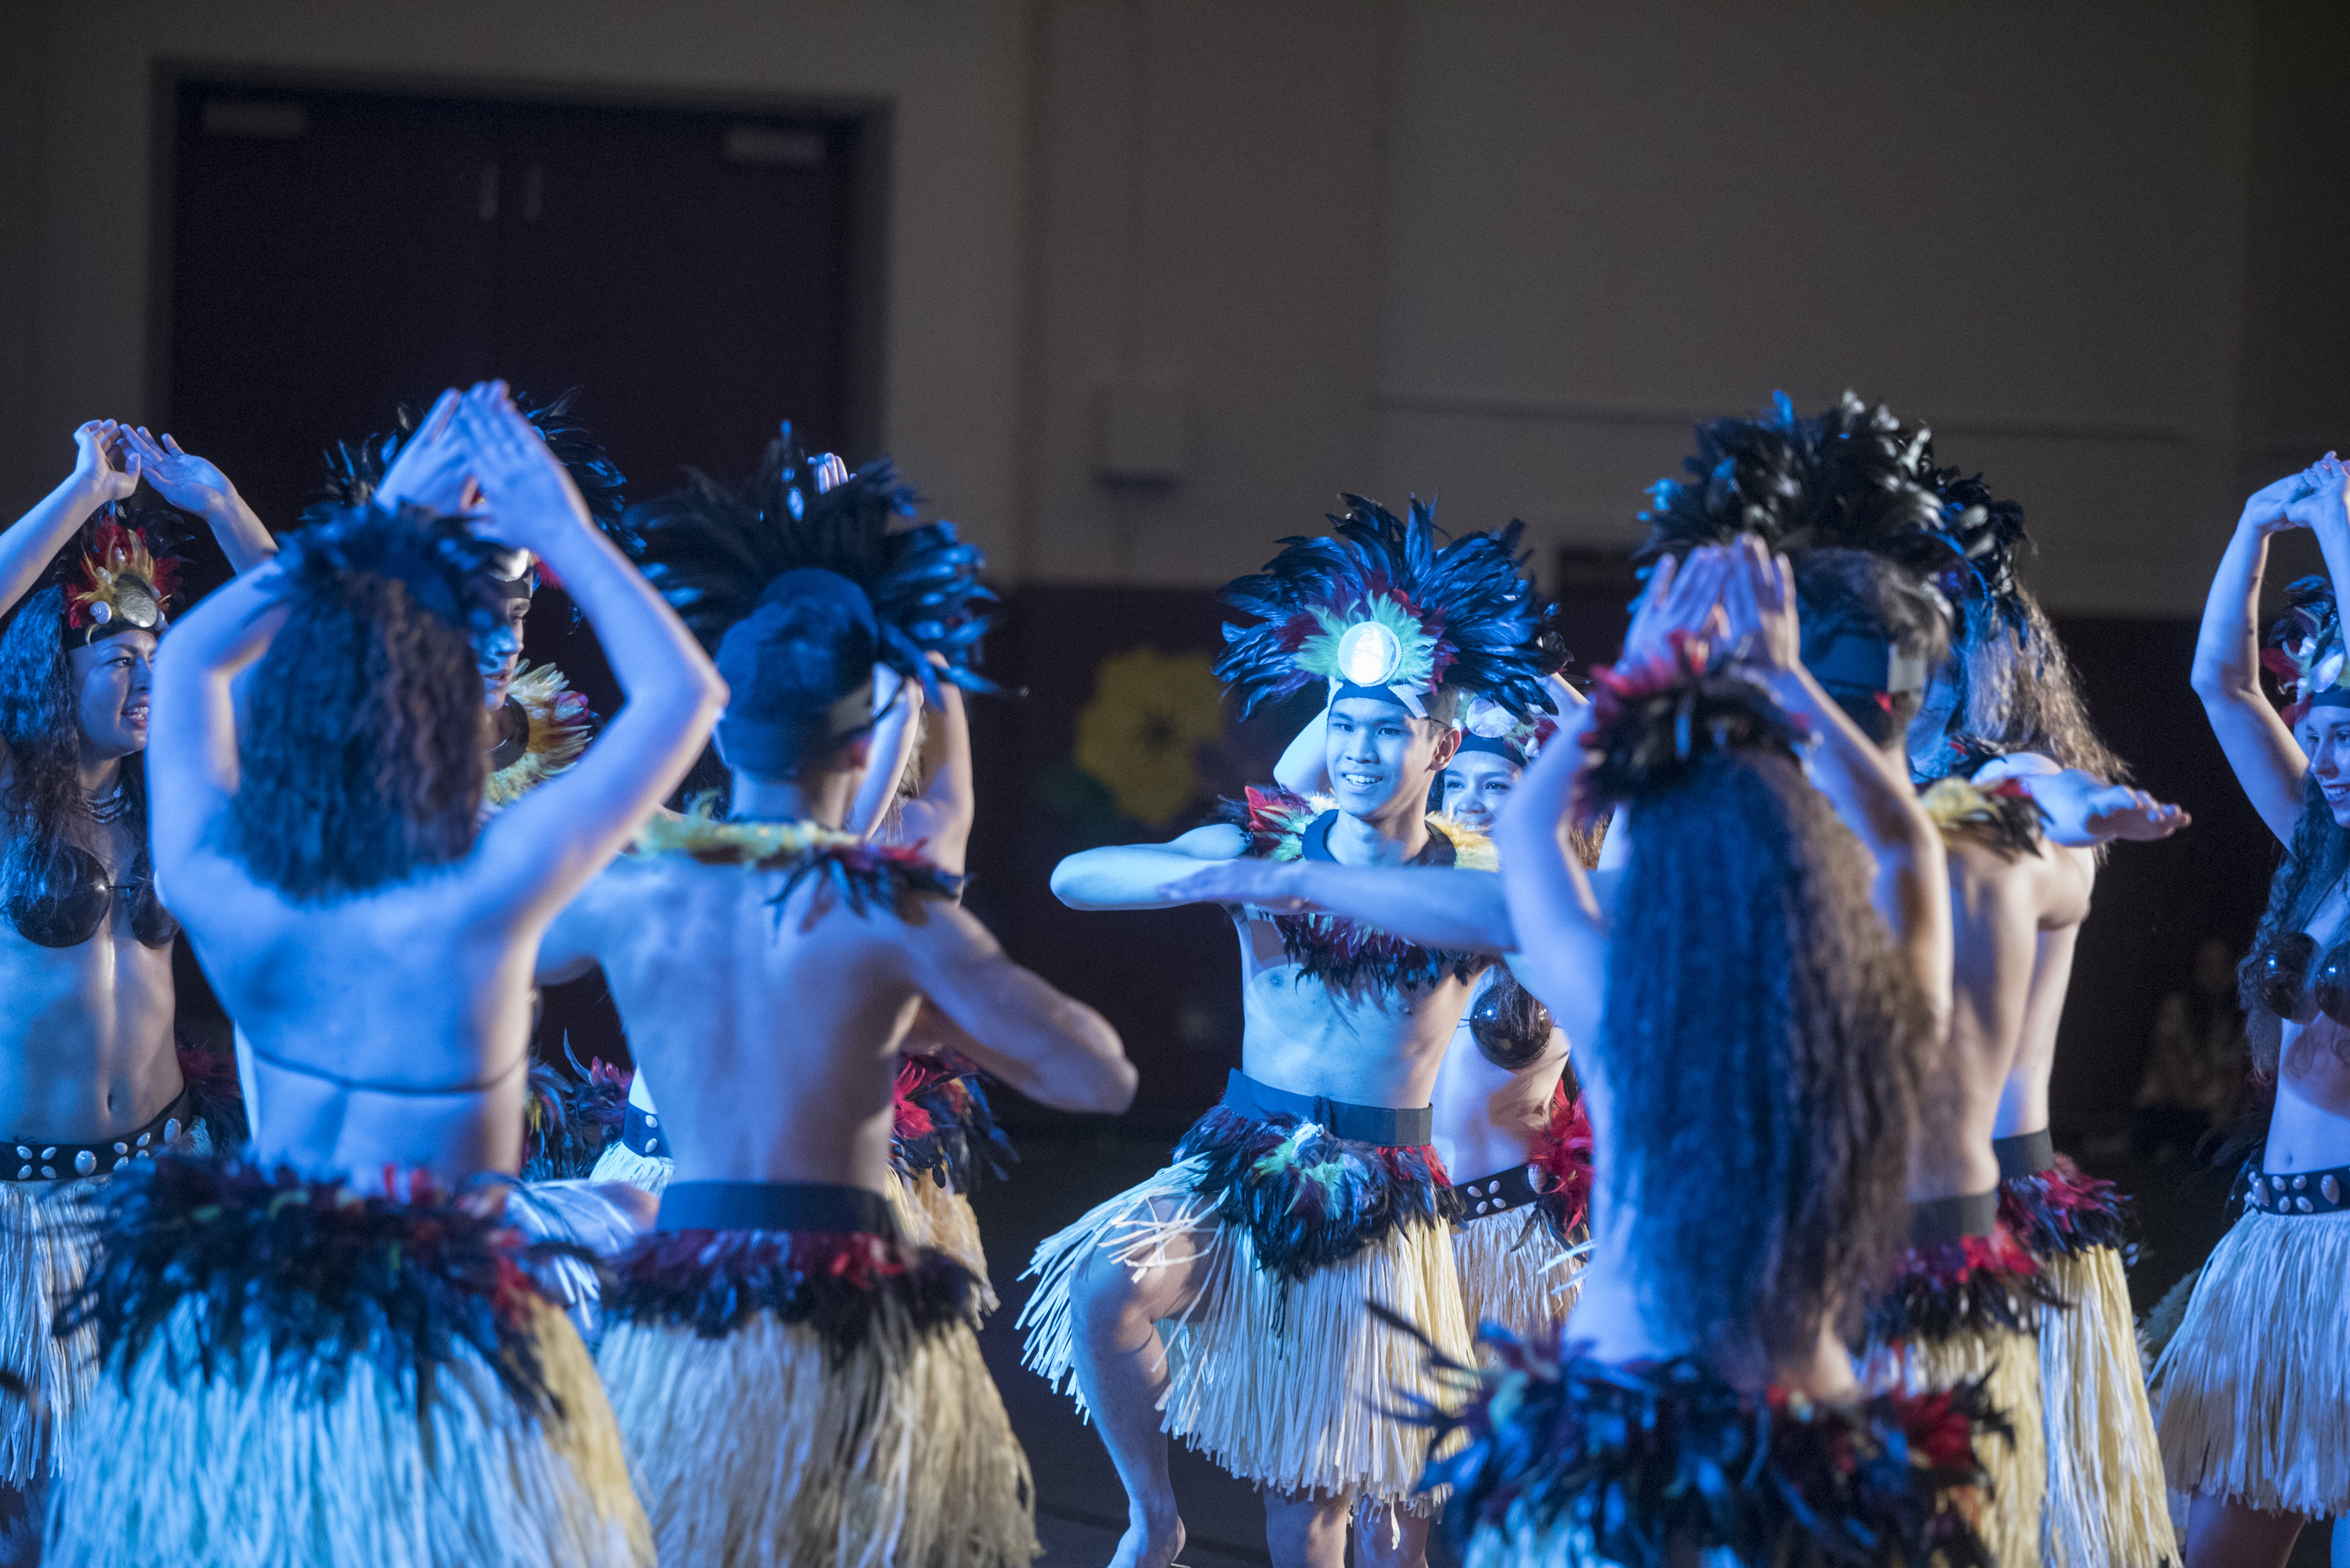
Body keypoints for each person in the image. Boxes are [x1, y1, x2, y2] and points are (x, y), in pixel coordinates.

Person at [45, 383, 724, 1566]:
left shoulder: (226, 886)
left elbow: (200, 657)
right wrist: (557, 527)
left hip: (262, 1325)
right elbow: (685, 696)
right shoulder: (491, 891)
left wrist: (375, 528)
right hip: (439, 1347)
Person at [535, 432, 1131, 1566]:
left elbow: (522, 955)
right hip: (857, 1308)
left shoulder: (636, 895)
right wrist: (921, 1014)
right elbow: (1095, 1074)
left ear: (711, 725)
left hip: (683, 1294)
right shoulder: (890, 919)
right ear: (863, 744)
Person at [1422, 538, 1996, 1563]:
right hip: (1804, 1447)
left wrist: (1644, 675)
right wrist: (1783, 681)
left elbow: (1525, 830)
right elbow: (1905, 843)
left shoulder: (1621, 1013)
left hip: (1612, 1437)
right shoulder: (1883, 1013)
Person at [1021, 494, 1555, 1568]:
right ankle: (1152, 1514)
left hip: (1378, 1195)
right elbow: (1072, 878)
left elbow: (1575, 917)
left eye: (1387, 727)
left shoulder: (1476, 874)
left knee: (1319, 1502)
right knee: (1105, 1282)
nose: (1358, 749)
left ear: (1440, 742)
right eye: (1341, 724)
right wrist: (1211, 873)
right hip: (1235, 1161)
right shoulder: (1267, 839)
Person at [1908, 463, 2185, 1566]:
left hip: (1997, 1207)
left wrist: (2096, 806)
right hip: (1879, 1202)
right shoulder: (1860, 791)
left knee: (2012, 1520)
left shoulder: (2001, 781)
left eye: (1935, 648)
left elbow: (2046, 790)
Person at [0, 418, 272, 1505]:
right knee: (26, 1513)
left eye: (155, 657)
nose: (147, 680)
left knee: (155, 1500)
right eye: (118, 659)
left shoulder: (182, 788)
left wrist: (222, 504)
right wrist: (81, 494)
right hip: (21, 1214)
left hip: (159, 1193)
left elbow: (310, 639)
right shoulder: (12, 798)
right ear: (54, 673)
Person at [2162, 452, 2350, 1567]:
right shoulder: (2317, 857)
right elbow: (2217, 687)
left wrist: (2334, 523)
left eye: (2347, 728)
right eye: (2316, 726)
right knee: (2211, 1550)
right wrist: (2252, 526)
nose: (2322, 755)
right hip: (2274, 1251)